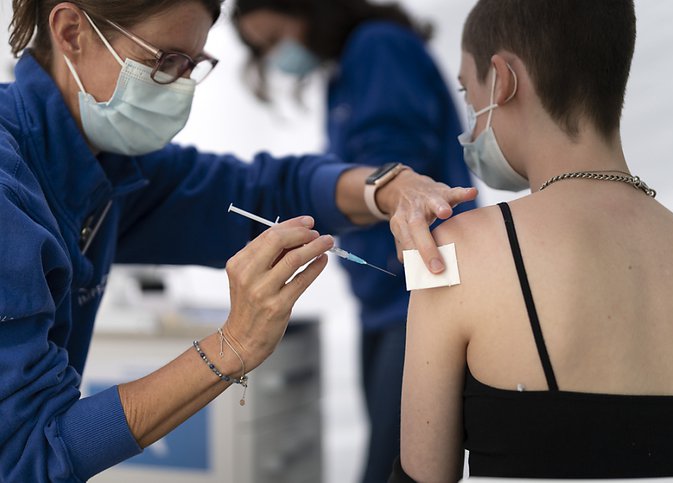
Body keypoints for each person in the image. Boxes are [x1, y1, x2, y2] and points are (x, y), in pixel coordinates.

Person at [0, 0, 478, 481]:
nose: (181, 87)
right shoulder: (9, 186)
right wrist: (232, 345)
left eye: (193, 65)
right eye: (164, 61)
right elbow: (29, 452)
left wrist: (384, 187)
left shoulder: (108, 169)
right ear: (70, 31)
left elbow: (262, 189)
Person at [393, 0, 673, 481]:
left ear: (502, 79)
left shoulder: (454, 251)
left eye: (469, 93)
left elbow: (419, 475)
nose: (469, 123)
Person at [232, 2, 476, 480]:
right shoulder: (346, 67)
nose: (278, 56)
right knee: (389, 455)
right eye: (264, 49)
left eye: (276, 36)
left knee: (394, 467)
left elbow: (394, 176)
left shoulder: (377, 48)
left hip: (422, 294)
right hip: (385, 299)